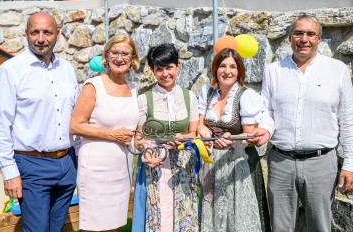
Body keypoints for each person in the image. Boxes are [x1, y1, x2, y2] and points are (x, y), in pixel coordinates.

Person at [261, 14, 353, 231]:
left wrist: (349, 163)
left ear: (319, 39)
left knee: (320, 226)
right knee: (280, 227)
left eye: (310, 34)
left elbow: (348, 120)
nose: (304, 39)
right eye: (298, 33)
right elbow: (266, 112)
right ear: (290, 37)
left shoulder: (337, 70)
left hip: (321, 164)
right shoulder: (273, 71)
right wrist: (264, 129)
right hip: (280, 162)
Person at [0, 12, 78, 231]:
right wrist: (10, 172)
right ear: (26, 34)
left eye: (47, 32)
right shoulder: (10, 71)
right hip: (31, 165)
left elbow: (76, 116)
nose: (41, 38)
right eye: (35, 32)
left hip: (67, 164)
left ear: (57, 34)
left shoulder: (67, 69)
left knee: (56, 227)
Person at [70, 34, 140, 231]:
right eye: (115, 52)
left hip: (122, 169)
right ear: (106, 56)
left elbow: (134, 130)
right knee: (95, 225)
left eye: (125, 53)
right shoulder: (93, 86)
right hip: (96, 170)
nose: (120, 58)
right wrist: (112, 135)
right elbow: (76, 125)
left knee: (115, 225)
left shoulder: (133, 88)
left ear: (132, 58)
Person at [197, 47, 273, 232]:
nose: (227, 71)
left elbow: (249, 136)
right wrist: (205, 131)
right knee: (214, 216)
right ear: (215, 69)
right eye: (222, 66)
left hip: (239, 163)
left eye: (233, 66)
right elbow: (200, 124)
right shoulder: (208, 93)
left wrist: (232, 139)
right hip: (213, 163)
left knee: (239, 219)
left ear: (239, 71)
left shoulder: (246, 96)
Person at [132, 43, 200, 232]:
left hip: (182, 166)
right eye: (159, 69)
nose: (164, 74)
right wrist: (146, 149)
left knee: (183, 213)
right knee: (157, 214)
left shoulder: (189, 97)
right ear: (153, 70)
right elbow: (138, 137)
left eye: (169, 67)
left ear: (178, 66)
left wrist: (182, 137)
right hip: (154, 165)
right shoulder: (144, 99)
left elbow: (193, 133)